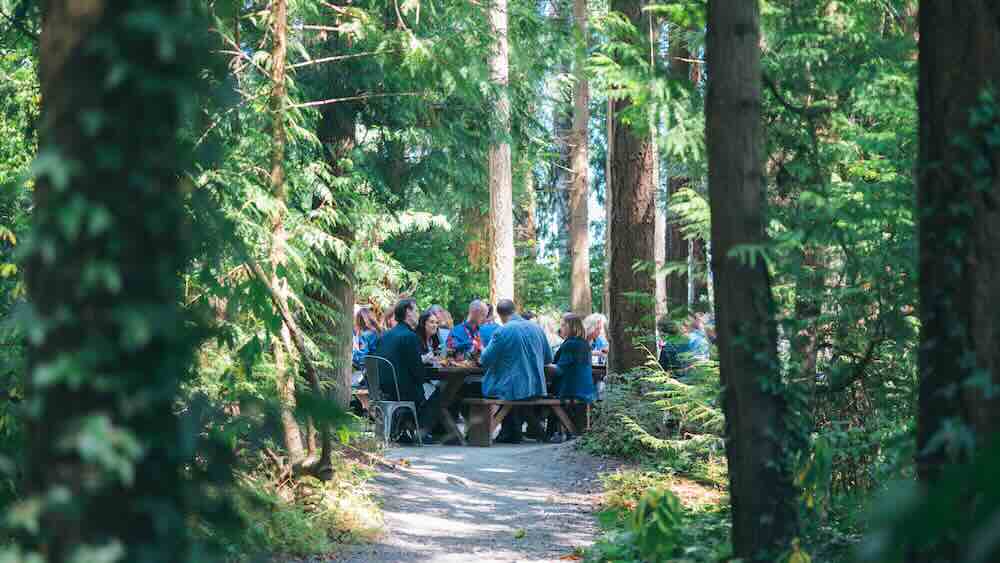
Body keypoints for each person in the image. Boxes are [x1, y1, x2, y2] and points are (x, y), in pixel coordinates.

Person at [479, 299, 552, 443]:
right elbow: (548, 359)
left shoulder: (502, 331)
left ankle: (485, 432)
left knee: (476, 388)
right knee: (512, 390)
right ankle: (511, 433)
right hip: (537, 387)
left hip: (513, 389)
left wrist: (482, 349)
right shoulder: (537, 329)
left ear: (500, 315)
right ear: (515, 309)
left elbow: (485, 360)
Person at [374, 299, 440, 443]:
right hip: (402, 391)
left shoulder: (384, 336)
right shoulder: (410, 337)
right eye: (416, 310)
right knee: (439, 392)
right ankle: (422, 433)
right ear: (408, 312)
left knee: (424, 388)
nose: (418, 314)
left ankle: (403, 429)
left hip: (381, 389)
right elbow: (418, 373)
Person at [548, 313, 596, 442]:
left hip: (571, 389)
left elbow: (559, 369)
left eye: (563, 325)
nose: (561, 328)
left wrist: (544, 366)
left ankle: (549, 432)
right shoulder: (584, 343)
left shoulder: (570, 344)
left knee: (543, 395)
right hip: (585, 388)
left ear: (572, 327)